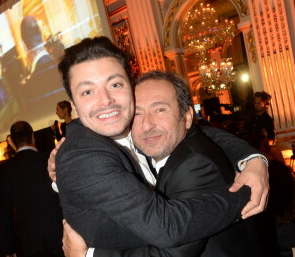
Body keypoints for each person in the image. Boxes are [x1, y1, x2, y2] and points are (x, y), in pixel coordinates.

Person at [49, 37, 268, 255]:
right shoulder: (84, 156)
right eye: (87, 91)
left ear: (130, 88)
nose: (105, 100)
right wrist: (245, 194)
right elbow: (167, 228)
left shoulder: (126, 129)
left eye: (115, 85)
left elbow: (189, 131)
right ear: (74, 107)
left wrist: (253, 159)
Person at [0, 121, 64, 257]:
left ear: (12, 142)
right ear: (33, 137)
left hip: (31, 243)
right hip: (62, 236)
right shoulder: (50, 159)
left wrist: (9, 249)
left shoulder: (4, 171)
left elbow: (6, 214)